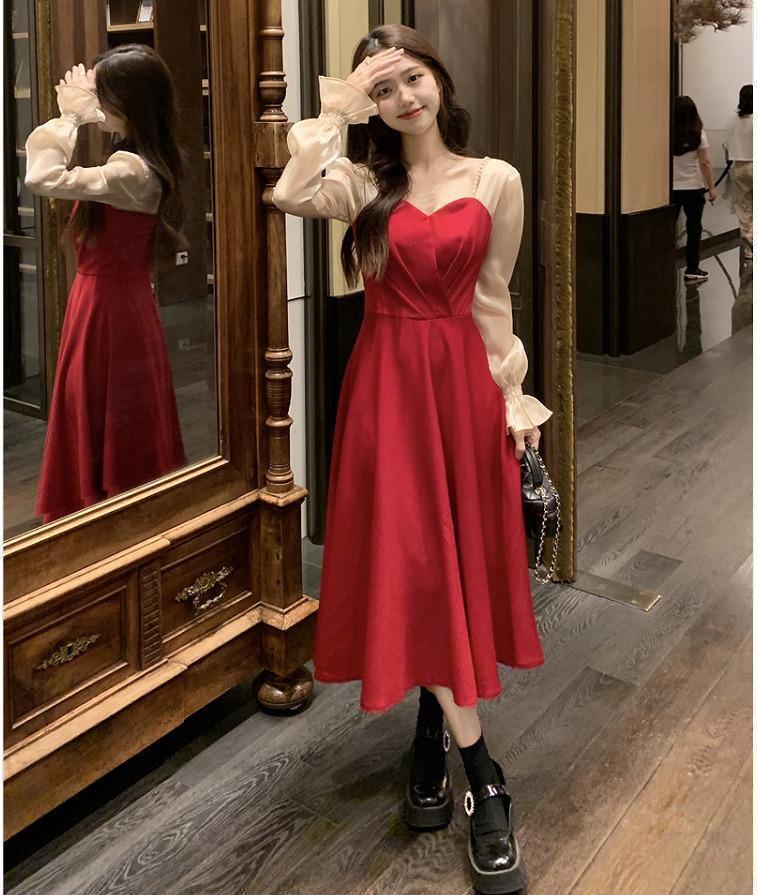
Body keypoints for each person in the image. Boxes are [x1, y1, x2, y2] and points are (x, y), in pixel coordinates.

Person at [273, 24, 552, 894]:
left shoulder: (495, 178)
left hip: (461, 386)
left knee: (448, 563)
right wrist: (338, 109)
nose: (404, 98)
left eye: (413, 78)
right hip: (386, 390)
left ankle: (431, 731)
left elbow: (493, 298)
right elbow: (288, 191)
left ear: (440, 79)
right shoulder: (362, 184)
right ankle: (484, 777)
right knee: (416, 562)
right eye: (384, 89)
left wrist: (512, 397)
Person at [25, 47, 186, 523]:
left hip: (112, 311)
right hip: (102, 303)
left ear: (129, 101)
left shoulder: (132, 170)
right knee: (98, 408)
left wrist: (69, 119)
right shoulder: (133, 160)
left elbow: (43, 176)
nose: (94, 102)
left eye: (102, 94)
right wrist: (83, 106)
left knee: (116, 416)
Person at [672, 95, 716, 283]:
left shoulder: (667, 133)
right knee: (694, 228)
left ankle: (660, 265)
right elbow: (705, 163)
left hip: (670, 189)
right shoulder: (699, 134)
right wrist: (711, 187)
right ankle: (692, 268)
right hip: (693, 187)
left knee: (666, 229)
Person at [724, 84, 753, 259]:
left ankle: (750, 247)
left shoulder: (732, 121)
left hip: (739, 167)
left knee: (743, 208)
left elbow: (726, 147)